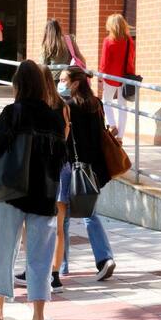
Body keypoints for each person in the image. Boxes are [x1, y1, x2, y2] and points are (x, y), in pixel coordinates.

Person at [0, 60, 66, 320]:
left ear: (18, 85)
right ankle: (38, 318)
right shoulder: (55, 117)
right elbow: (60, 158)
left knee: (4, 249)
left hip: (12, 193)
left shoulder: (12, 113)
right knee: (40, 257)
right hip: (44, 195)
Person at [57, 66, 117, 281]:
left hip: (70, 166)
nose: (60, 84)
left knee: (62, 216)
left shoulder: (67, 106)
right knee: (89, 212)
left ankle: (61, 265)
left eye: (63, 80)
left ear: (75, 83)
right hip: (93, 168)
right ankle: (104, 258)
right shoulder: (96, 103)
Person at [15, 65, 70, 293]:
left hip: (40, 170)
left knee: (32, 224)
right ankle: (55, 274)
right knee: (58, 226)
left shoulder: (37, 107)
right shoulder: (62, 106)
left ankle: (34, 270)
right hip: (60, 167)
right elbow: (64, 136)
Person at [99, 13, 135, 142]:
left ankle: (112, 125)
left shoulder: (108, 41)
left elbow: (104, 62)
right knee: (123, 107)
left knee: (106, 102)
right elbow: (131, 59)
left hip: (110, 76)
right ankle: (120, 137)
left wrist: (100, 77)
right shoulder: (129, 41)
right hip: (125, 77)